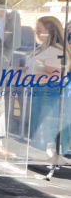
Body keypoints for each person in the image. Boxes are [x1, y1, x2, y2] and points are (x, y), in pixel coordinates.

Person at [27, 16, 67, 153]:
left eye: (40, 30)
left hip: (47, 93)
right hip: (38, 92)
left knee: (44, 128)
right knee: (37, 126)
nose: (37, 33)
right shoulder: (43, 48)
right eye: (36, 30)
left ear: (50, 31)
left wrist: (28, 77)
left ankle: (44, 156)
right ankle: (38, 154)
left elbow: (54, 76)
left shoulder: (55, 50)